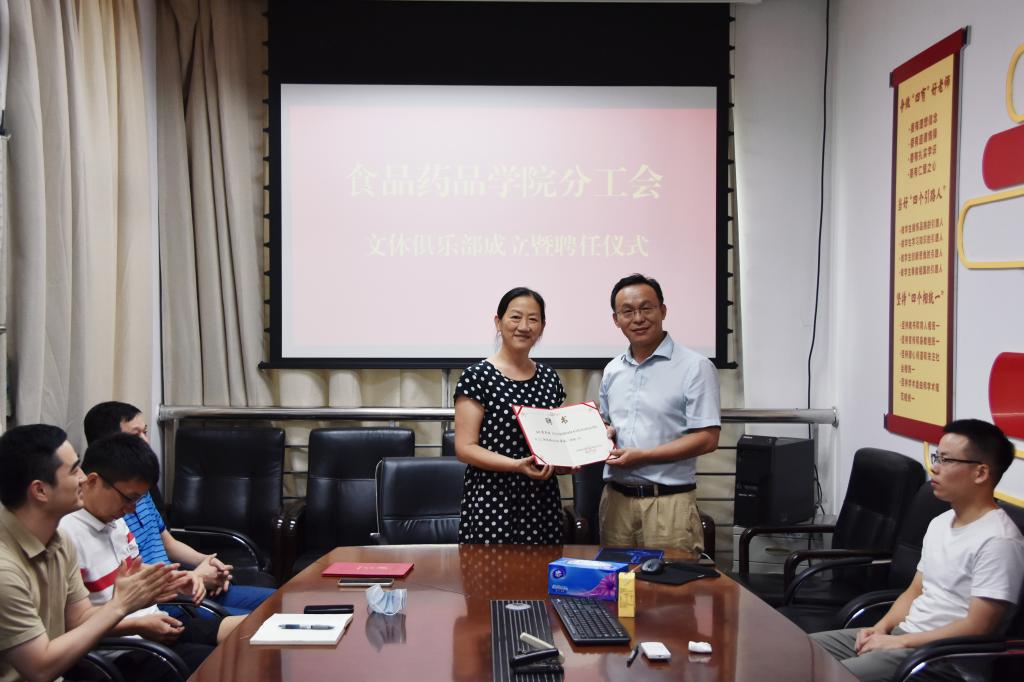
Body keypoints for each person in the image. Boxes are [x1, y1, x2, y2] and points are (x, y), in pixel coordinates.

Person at [811, 419, 1024, 682]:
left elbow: (979, 627)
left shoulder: (999, 541)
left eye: (946, 460)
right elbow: (915, 591)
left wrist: (899, 643)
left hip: (942, 661)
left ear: (980, 473)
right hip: (905, 638)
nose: (935, 468)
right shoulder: (940, 522)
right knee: (798, 651)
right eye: (937, 457)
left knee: (824, 676)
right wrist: (880, 629)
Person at [0, 424, 184, 682]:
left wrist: (138, 596)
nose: (84, 478)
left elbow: (80, 618)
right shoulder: (5, 571)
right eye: (74, 470)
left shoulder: (59, 540)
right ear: (40, 490)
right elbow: (40, 669)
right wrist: (120, 606)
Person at [59, 432, 245, 677]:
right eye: (129, 498)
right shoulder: (67, 535)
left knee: (244, 632)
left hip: (152, 622)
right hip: (122, 650)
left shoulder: (116, 521)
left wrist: (174, 581)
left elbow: (134, 575)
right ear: (92, 481)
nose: (131, 509)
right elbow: (75, 625)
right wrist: (137, 625)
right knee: (231, 666)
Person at [83, 401, 274, 616]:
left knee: (278, 600)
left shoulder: (139, 490)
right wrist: (197, 577)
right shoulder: (111, 509)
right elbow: (130, 583)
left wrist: (206, 562)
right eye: (136, 435)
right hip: (163, 602)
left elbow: (168, 542)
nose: (146, 441)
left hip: (181, 585)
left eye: (145, 432)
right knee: (257, 622)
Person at [599, 274, 721, 557]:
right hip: (616, 503)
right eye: (628, 311)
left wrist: (644, 456)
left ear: (663, 311)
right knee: (615, 582)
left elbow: (707, 438)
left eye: (646, 308)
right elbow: (606, 423)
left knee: (672, 585)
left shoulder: (695, 367)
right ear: (616, 319)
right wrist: (602, 433)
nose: (638, 318)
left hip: (669, 505)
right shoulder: (612, 370)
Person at [453, 287, 567, 544]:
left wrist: (567, 460)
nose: (524, 326)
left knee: (541, 568)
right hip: (493, 500)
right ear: (498, 322)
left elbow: (556, 441)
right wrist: (516, 465)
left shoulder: (549, 378)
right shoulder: (477, 376)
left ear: (542, 326)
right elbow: (465, 448)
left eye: (533, 319)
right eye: (515, 317)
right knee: (491, 569)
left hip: (542, 500)